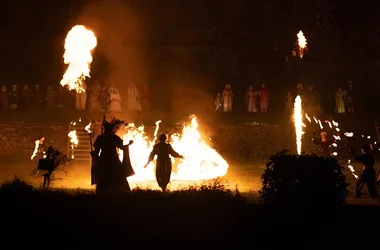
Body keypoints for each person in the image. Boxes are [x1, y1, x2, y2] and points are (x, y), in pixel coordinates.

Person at [91, 116, 135, 195]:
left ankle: (104, 192)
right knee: (117, 174)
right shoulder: (113, 138)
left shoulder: (101, 138)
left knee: (105, 175)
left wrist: (94, 154)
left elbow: (97, 151)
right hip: (113, 158)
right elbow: (122, 147)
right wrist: (128, 145)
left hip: (104, 159)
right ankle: (119, 191)